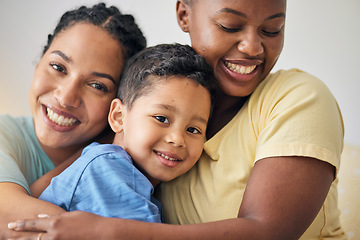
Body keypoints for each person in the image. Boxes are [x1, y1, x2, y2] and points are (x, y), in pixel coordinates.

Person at [8, 0, 347, 239]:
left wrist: (109, 232)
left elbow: (268, 230)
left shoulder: (296, 97)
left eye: (273, 30)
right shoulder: (150, 108)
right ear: (184, 13)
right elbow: (42, 192)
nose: (252, 47)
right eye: (230, 25)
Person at [0, 2, 146, 238]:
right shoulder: (4, 133)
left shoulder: (133, 165)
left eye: (97, 85)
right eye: (58, 67)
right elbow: (8, 220)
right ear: (39, 62)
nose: (66, 97)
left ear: (118, 106)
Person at [37, 43, 216, 223]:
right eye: (162, 118)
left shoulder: (136, 184)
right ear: (119, 116)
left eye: (193, 129)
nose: (177, 139)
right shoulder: (105, 169)